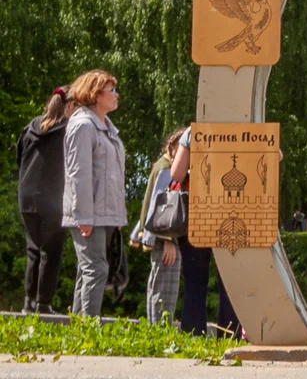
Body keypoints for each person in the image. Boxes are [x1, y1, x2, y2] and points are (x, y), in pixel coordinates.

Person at [61, 70, 127, 317]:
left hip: (105, 214)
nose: (116, 95)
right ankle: (88, 329)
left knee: (89, 269)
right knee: (95, 269)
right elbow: (79, 174)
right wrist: (83, 216)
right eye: (112, 90)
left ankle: (79, 330)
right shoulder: (82, 126)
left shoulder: (107, 127)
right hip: (89, 215)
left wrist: (118, 217)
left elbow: (113, 176)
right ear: (96, 95)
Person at [170, 124, 240, 337]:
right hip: (234, 215)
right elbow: (278, 156)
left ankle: (193, 335)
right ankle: (229, 336)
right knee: (230, 281)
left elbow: (177, 173)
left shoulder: (196, 132)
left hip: (199, 213)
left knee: (194, 279)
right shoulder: (247, 129)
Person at [16, 87, 73, 314]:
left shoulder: (32, 126)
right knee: (52, 250)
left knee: (33, 248)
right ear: (70, 105)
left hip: (27, 194)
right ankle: (43, 303)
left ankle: (28, 301)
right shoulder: (68, 130)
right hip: (53, 196)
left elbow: (19, 157)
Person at [130, 128, 186, 323]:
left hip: (160, 237)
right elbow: (161, 205)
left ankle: (157, 328)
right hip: (164, 238)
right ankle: (160, 330)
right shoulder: (165, 169)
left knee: (159, 284)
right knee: (165, 287)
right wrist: (168, 239)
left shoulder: (162, 165)